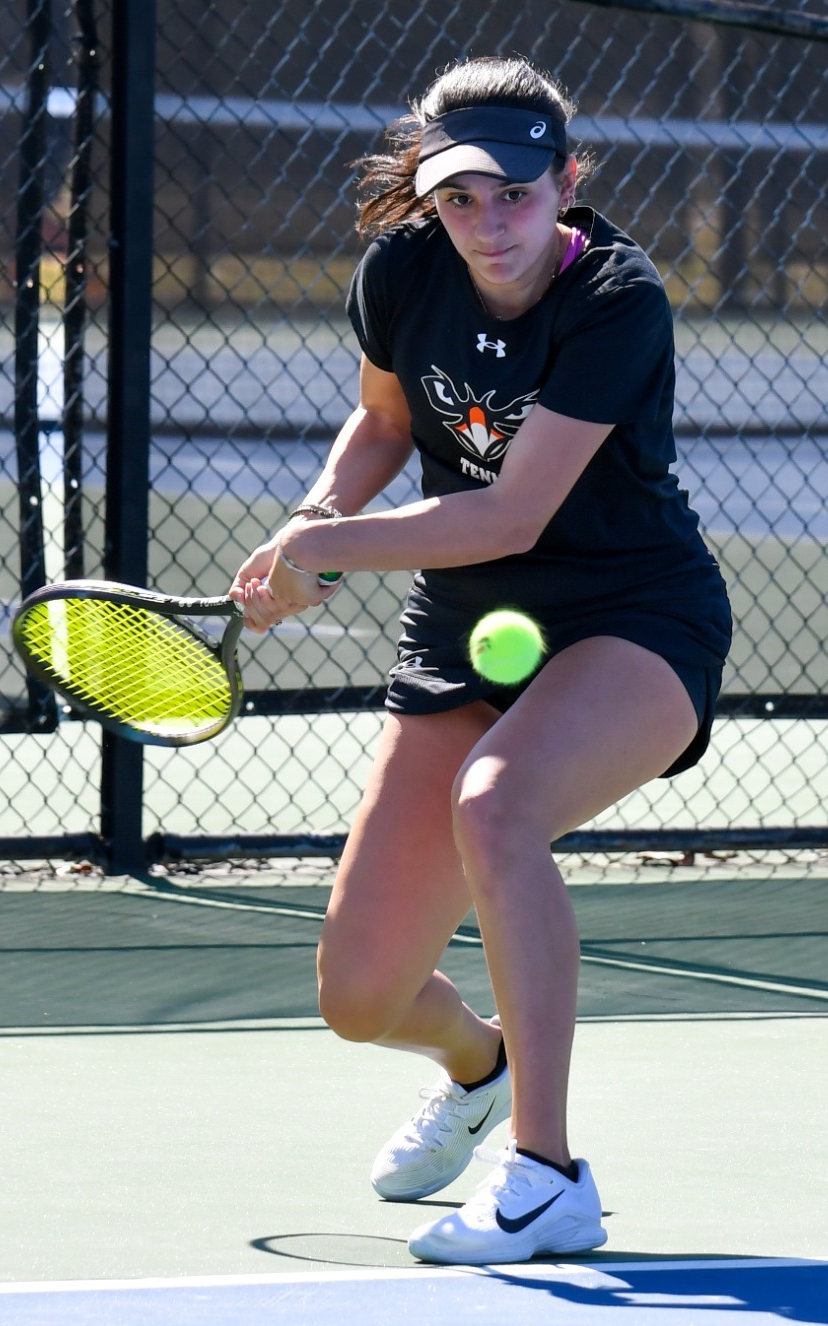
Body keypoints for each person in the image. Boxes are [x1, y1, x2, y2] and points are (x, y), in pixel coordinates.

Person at [229, 56, 732, 1265]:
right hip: (462, 628)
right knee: (359, 999)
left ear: (565, 180)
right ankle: (479, 1063)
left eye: (514, 194)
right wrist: (313, 522)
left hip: (631, 616)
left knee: (496, 807)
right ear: (427, 194)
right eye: (460, 198)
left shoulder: (615, 299)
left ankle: (548, 1175)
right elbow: (389, 420)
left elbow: (511, 513)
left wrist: (335, 550)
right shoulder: (404, 270)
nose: (488, 224)